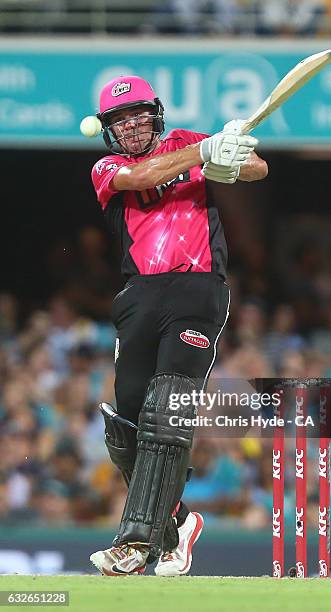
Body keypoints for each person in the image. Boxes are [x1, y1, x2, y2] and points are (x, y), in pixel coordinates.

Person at [88, 75, 268, 577]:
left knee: (168, 407)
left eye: (137, 115)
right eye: (118, 122)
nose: (130, 128)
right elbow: (144, 177)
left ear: (156, 113)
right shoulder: (108, 167)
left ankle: (135, 541)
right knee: (128, 425)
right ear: (109, 132)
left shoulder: (192, 141)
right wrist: (206, 152)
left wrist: (229, 158)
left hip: (197, 289)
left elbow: (258, 168)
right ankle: (179, 525)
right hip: (138, 297)